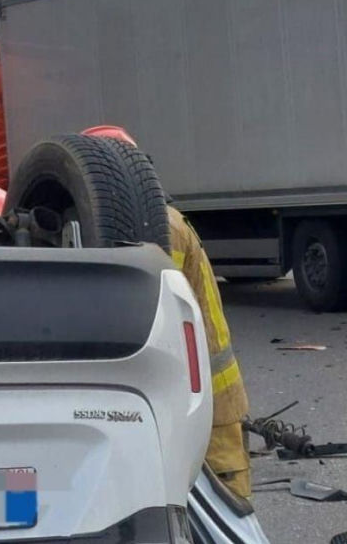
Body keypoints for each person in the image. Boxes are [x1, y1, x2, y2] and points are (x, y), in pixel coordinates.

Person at [81, 126, 252, 499]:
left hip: (208, 404)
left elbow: (148, 309)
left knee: (226, 504)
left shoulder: (162, 229)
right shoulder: (160, 223)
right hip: (194, 397)